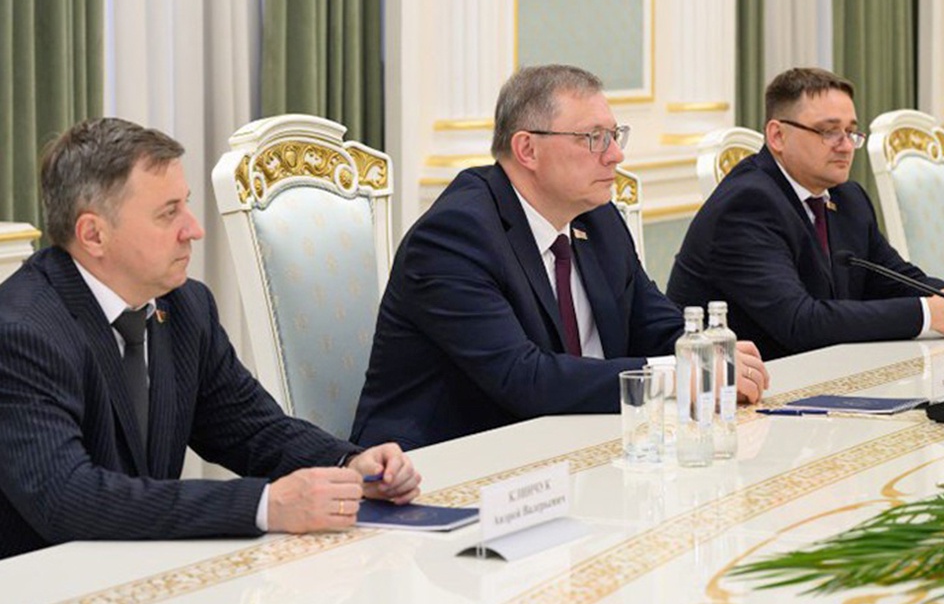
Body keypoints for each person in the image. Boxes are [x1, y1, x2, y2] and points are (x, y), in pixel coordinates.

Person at [0, 118, 421, 560]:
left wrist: (349, 465)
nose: (193, 229)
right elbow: (68, 498)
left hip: (143, 567)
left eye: (185, 204)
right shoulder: (21, 333)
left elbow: (250, 428)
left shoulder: (186, 307)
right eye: (168, 213)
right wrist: (266, 506)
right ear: (93, 235)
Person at [351, 64, 769, 451]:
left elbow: (651, 322)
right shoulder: (455, 236)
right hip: (439, 467)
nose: (616, 155)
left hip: (570, 450)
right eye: (594, 138)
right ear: (527, 149)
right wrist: (676, 376)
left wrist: (705, 353)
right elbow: (524, 378)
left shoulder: (598, 217)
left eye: (614, 135)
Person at [667, 67, 944, 361]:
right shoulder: (746, 205)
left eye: (850, 132)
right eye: (829, 131)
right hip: (740, 387)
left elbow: (893, 277)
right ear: (777, 136)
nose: (845, 146)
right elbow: (800, 322)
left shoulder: (847, 197)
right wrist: (928, 314)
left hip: (825, 371)